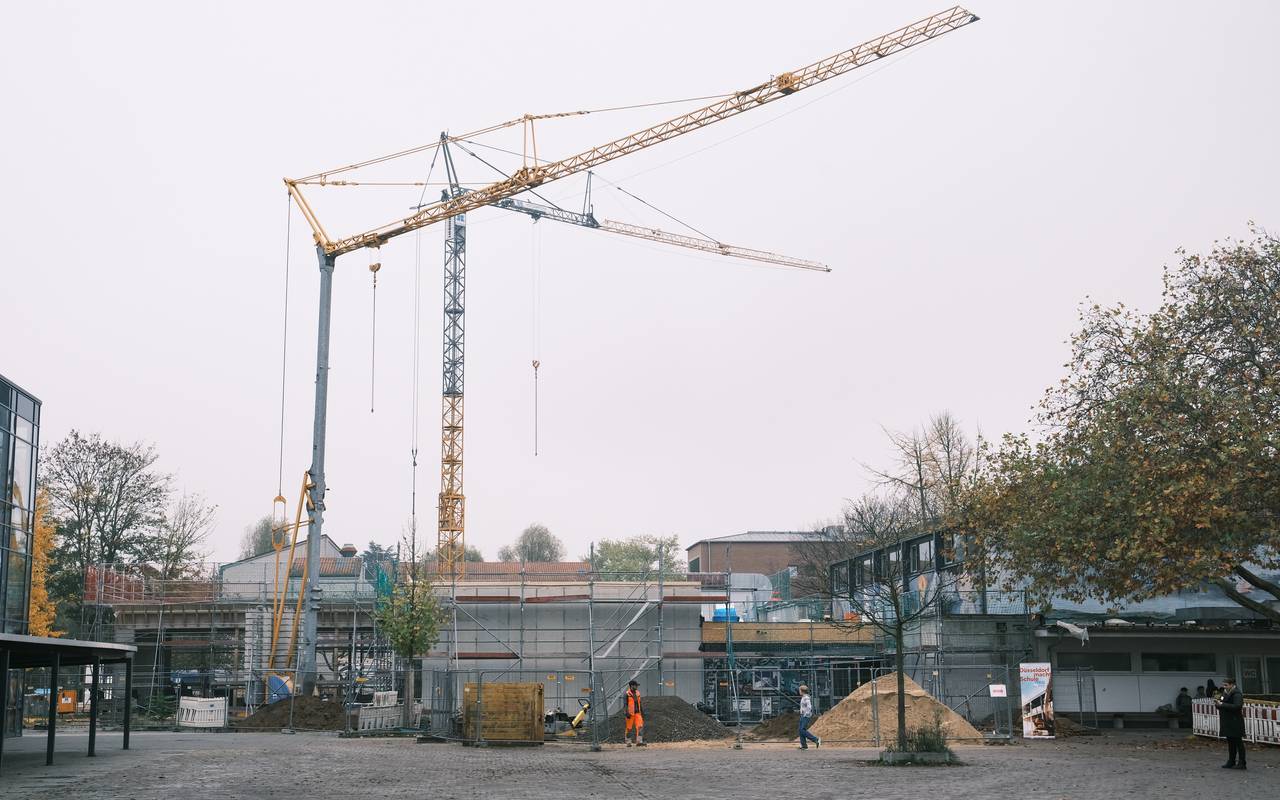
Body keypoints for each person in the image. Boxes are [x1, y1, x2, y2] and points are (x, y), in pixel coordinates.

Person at [1215, 677, 1245, 770]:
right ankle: (1231, 761)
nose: (1224, 687)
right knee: (1230, 742)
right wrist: (1217, 703)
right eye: (1223, 685)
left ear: (1232, 684)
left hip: (1235, 721)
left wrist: (1222, 705)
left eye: (1226, 685)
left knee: (1238, 742)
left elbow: (1237, 706)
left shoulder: (1237, 694)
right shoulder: (1225, 693)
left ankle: (1242, 762)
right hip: (1228, 720)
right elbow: (1222, 702)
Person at [798, 685, 821, 750]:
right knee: (800, 730)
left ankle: (816, 739)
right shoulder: (804, 697)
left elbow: (809, 707)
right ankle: (804, 746)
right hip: (803, 715)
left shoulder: (806, 698)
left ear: (802, 691)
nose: (799, 692)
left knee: (802, 729)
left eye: (799, 690)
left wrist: (806, 714)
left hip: (805, 716)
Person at [624, 679, 645, 747]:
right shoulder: (627, 694)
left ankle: (639, 741)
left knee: (640, 727)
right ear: (632, 686)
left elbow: (640, 703)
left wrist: (642, 712)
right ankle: (628, 742)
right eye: (636, 685)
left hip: (637, 713)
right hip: (630, 714)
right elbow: (625, 704)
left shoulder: (638, 693)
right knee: (629, 728)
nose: (637, 687)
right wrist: (626, 712)